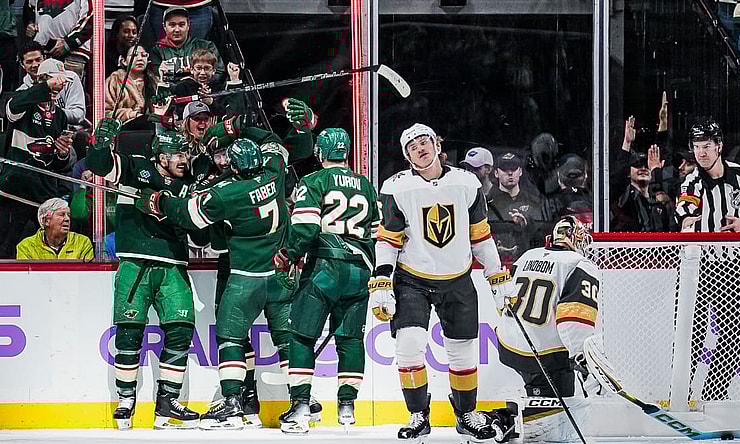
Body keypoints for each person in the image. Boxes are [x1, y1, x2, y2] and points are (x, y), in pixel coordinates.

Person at [135, 135, 294, 430]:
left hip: (246, 275)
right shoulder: (274, 168)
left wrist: (160, 200)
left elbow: (188, 216)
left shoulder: (227, 193)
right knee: (285, 337)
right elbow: (275, 143)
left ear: (232, 165)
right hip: (279, 275)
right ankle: (300, 403)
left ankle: (233, 402)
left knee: (231, 337)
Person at [370, 123, 515, 442]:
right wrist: (382, 280)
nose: (419, 148)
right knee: (408, 347)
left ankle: (466, 414)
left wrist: (497, 276)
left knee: (462, 351)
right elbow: (388, 238)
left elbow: (481, 235)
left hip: (458, 279)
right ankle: (418, 414)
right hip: (412, 280)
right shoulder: (396, 187)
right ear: (407, 156)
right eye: (412, 147)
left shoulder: (466, 182)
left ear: (437, 143)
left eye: (424, 142)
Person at [86, 121, 200, 430]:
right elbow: (100, 165)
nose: (183, 159)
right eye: (177, 153)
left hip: (174, 265)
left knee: (180, 331)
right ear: (161, 156)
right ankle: (126, 401)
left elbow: (200, 232)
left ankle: (168, 401)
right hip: (135, 263)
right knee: (129, 334)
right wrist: (100, 145)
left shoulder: (189, 184)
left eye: (185, 153)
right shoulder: (137, 167)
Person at [274, 128, 379, 434]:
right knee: (350, 340)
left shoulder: (314, 181)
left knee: (302, 336)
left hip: (324, 268)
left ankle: (301, 406)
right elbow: (376, 233)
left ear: (321, 152)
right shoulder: (366, 186)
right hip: (359, 271)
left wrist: (289, 253)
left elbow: (305, 227)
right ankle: (347, 407)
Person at [482, 215, 599, 443]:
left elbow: (505, 301)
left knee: (553, 395)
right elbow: (573, 320)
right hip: (546, 355)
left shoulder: (527, 256)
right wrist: (583, 359)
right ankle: (509, 420)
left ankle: (508, 420)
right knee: (571, 416)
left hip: (508, 344)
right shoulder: (580, 264)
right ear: (574, 239)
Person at [676, 119, 740, 401]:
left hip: (732, 266)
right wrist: (689, 219)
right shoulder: (691, 181)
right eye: (697, 147)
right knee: (690, 335)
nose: (700, 153)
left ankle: (714, 394)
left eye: (706, 146)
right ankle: (681, 394)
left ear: (719, 146)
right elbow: (684, 211)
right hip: (697, 269)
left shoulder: (739, 175)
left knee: (736, 335)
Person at [0, 60, 74, 259]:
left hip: (45, 191)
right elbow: (11, 109)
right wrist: (45, 87)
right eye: (55, 81)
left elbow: (58, 165)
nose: (60, 86)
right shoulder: (23, 102)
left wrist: (62, 153)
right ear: (41, 79)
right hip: (17, 188)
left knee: (48, 247)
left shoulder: (60, 116)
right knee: (7, 245)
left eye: (62, 82)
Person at [488, 151, 544, 260]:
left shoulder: (534, 201)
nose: (510, 173)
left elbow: (542, 234)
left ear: (520, 172)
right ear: (496, 173)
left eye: (513, 169)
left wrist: (527, 224)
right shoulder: (487, 203)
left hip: (528, 260)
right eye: (504, 169)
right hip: (496, 261)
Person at [150, 7, 224, 86]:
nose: (177, 30)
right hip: (172, 94)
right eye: (172, 25)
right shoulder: (157, 50)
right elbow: (155, 78)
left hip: (203, 92)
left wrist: (199, 84)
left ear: (188, 26)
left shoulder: (206, 46)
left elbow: (219, 72)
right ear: (164, 27)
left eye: (181, 25)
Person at [18, 46, 88, 130]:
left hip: (71, 131)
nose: (35, 65)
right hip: (41, 134)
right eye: (29, 62)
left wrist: (53, 114)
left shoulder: (71, 78)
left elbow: (78, 115)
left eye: (38, 59)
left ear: (44, 58)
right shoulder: (22, 91)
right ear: (22, 64)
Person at [23, 0, 92, 78]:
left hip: (73, 53)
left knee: (70, 87)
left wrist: (68, 43)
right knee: (41, 88)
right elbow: (29, 8)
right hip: (42, 53)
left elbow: (91, 17)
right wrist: (30, 24)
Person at [16, 197, 94, 260]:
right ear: (46, 221)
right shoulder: (26, 246)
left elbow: (87, 277)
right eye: (61, 215)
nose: (67, 219)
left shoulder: (83, 242)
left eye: (68, 215)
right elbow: (27, 278)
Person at [104, 45, 156, 125]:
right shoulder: (114, 80)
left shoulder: (154, 81)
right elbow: (106, 112)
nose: (140, 59)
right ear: (124, 61)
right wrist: (131, 115)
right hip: (123, 129)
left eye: (144, 55)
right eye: (134, 55)